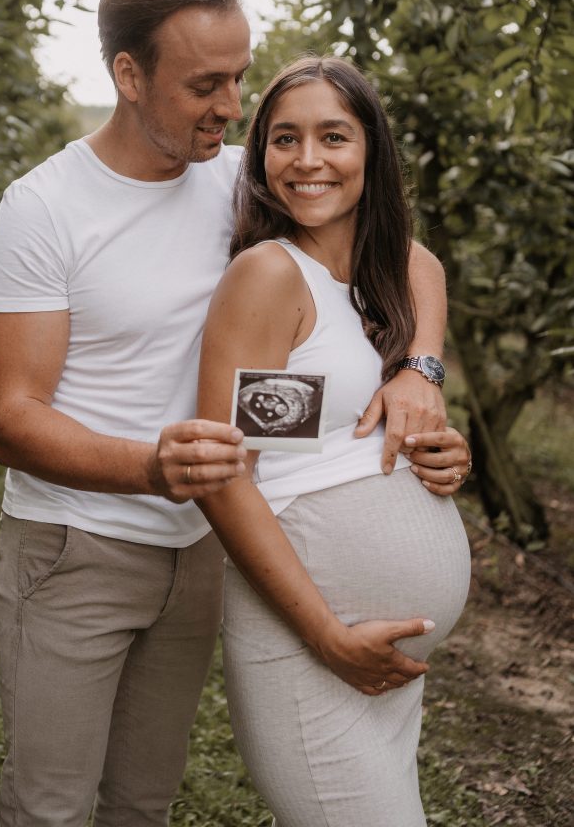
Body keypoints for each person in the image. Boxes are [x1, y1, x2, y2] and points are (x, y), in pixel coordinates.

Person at [0, 0, 466, 827]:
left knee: (142, 801)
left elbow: (407, 255)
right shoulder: (45, 211)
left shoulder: (240, 180)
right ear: (128, 74)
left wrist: (416, 367)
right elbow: (10, 419)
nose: (231, 108)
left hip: (205, 550)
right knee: (50, 806)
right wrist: (152, 468)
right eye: (206, 85)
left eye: (238, 79)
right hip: (79, 544)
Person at [196, 55, 472, 827]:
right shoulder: (270, 277)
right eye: (284, 139)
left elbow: (423, 261)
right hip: (314, 646)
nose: (308, 160)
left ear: (371, 153)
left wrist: (422, 374)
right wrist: (325, 636)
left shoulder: (374, 276)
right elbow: (232, 475)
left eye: (333, 137)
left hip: (385, 661)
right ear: (259, 158)